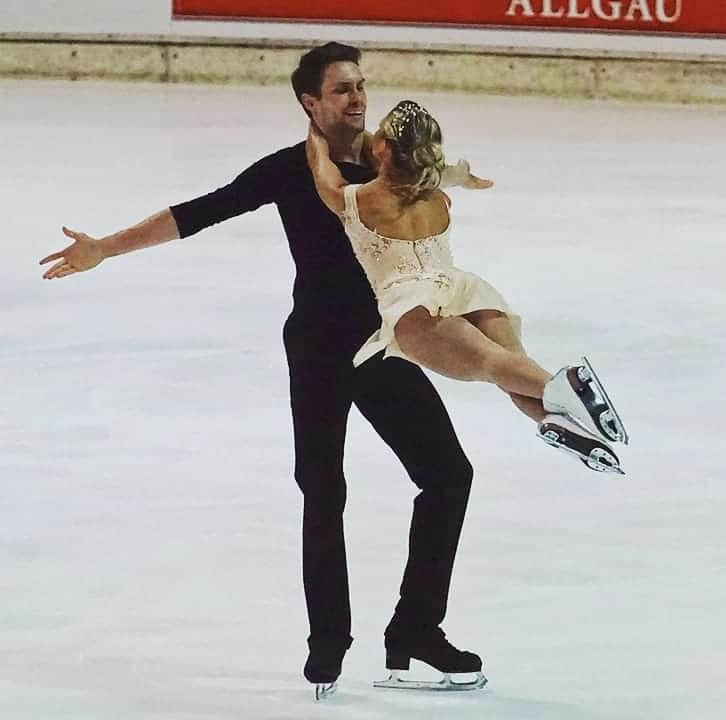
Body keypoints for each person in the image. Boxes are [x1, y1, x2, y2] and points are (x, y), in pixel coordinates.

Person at [39, 43, 496, 695]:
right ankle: (328, 644)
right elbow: (198, 212)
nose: (357, 98)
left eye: (361, 86)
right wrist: (105, 249)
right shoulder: (287, 171)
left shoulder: (389, 161)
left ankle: (416, 633)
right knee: (322, 487)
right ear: (311, 102)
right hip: (315, 346)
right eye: (341, 89)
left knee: (448, 475)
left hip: (383, 344)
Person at [305, 100, 628, 475]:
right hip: (464, 289)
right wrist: (459, 176)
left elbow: (322, 173)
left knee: (494, 366)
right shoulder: (438, 196)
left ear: (386, 148)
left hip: (414, 307)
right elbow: (439, 176)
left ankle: (571, 389)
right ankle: (559, 424)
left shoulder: (358, 201)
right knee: (510, 370)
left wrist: (317, 127)